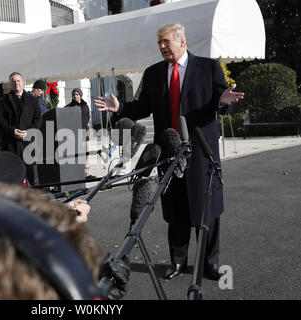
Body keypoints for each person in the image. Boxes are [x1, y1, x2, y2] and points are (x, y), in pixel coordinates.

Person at [95, 23, 244, 281]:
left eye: (166, 41)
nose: (162, 47)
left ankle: (209, 263)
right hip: (169, 152)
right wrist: (120, 108)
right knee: (176, 210)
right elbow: (141, 106)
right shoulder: (153, 73)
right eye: (159, 43)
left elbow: (223, 101)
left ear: (182, 41)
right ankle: (178, 262)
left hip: (200, 151)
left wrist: (222, 102)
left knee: (206, 209)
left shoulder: (209, 68)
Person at [0, 72, 42, 184]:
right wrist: (12, 131)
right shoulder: (3, 101)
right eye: (13, 81)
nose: (16, 83)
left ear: (23, 83)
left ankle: (34, 198)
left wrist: (28, 132)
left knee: (32, 174)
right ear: (10, 84)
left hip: (29, 143)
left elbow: (38, 119)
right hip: (10, 143)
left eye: (18, 81)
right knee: (12, 174)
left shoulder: (32, 100)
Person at [65, 88, 92, 178]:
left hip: (85, 133)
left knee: (86, 154)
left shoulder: (85, 106)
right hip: (74, 135)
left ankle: (86, 173)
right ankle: (77, 174)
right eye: (74, 94)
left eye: (77, 94)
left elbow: (88, 118)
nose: (75, 96)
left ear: (80, 95)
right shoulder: (68, 107)